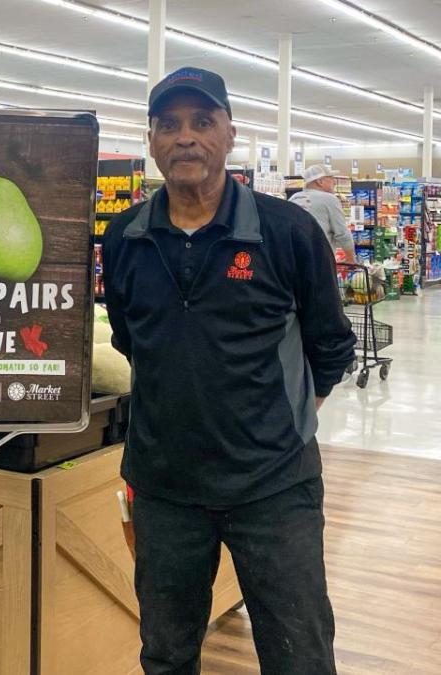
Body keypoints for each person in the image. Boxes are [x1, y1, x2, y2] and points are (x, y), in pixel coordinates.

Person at [102, 67, 356, 675]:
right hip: (165, 489)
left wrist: (274, 424)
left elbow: (331, 348)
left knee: (300, 656)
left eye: (202, 122)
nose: (186, 137)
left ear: (230, 134)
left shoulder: (286, 231)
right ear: (152, 140)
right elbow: (133, 341)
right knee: (165, 655)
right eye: (169, 125)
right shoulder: (124, 237)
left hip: (274, 488)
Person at [290, 164, 356, 262]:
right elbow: (342, 233)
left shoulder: (294, 198)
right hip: (319, 259)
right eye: (331, 178)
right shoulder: (329, 199)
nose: (334, 182)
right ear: (320, 181)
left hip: (293, 258)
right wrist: (351, 260)